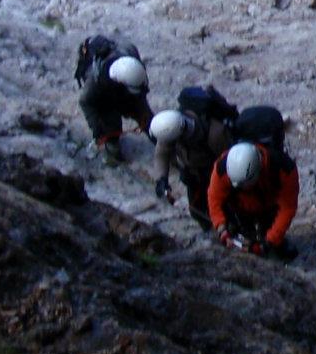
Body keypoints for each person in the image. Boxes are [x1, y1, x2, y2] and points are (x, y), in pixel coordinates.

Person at [206, 110, 299, 257]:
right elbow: (214, 198)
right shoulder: (223, 167)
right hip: (239, 207)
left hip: (269, 205)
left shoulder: (283, 169)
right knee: (244, 232)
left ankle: (277, 245)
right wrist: (221, 228)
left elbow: (287, 209)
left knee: (272, 239)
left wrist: (268, 243)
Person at [149, 87, 241, 228]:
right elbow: (162, 153)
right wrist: (161, 179)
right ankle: (210, 228)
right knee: (197, 211)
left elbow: (231, 162)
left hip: (217, 173)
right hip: (193, 174)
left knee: (225, 209)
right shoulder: (171, 129)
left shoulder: (215, 135)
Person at [74, 35, 153, 165]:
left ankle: (169, 149)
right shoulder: (95, 82)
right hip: (106, 95)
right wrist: (98, 132)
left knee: (147, 119)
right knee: (110, 127)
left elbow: (140, 93)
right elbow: (85, 102)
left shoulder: (130, 54)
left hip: (128, 88)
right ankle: (113, 154)